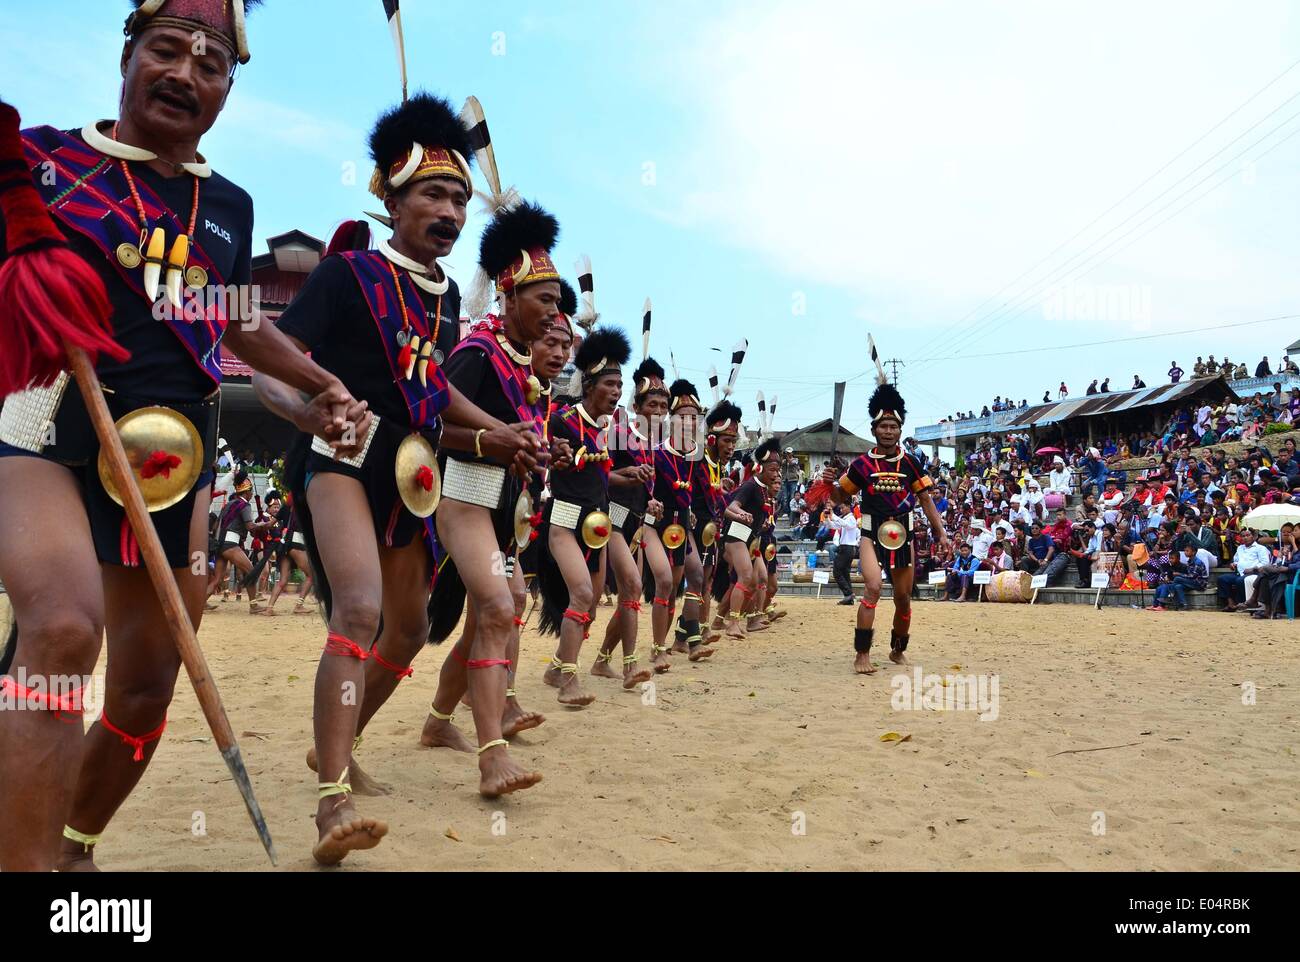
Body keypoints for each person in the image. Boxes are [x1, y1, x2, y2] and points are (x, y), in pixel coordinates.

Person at [0, 2, 376, 873]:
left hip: (173, 462)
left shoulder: (227, 208)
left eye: (209, 66)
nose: (183, 75)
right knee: (59, 631)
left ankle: (73, 848)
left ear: (229, 89)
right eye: (164, 51)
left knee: (141, 691)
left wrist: (317, 386)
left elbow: (232, 320)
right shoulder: (41, 163)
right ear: (126, 54)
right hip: (46, 420)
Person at [820, 376, 950, 674]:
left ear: (900, 430)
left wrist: (940, 532)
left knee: (903, 598)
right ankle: (862, 654)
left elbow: (926, 500)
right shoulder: (862, 465)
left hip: (902, 533)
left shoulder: (911, 462)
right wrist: (831, 485)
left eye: (893, 427)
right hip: (869, 532)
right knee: (873, 588)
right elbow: (841, 496)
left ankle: (897, 649)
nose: (888, 431)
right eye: (883, 426)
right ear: (873, 429)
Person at [535, 327, 634, 704]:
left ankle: (556, 666)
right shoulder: (560, 421)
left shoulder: (602, 430)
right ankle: (569, 682)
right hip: (563, 522)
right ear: (589, 385)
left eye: (620, 385)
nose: (616, 392)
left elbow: (592, 473)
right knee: (580, 594)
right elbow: (552, 454)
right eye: (610, 384)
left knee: (590, 605)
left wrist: (619, 478)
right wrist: (552, 450)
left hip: (598, 524)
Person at [1216, 528, 1270, 611]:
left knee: (1240, 581)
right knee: (1222, 579)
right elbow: (1236, 560)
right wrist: (1233, 564)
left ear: (1254, 537)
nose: (1245, 538)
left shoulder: (1260, 548)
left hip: (1254, 573)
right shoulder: (1240, 548)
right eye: (1243, 536)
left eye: (1248, 535)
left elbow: (1265, 562)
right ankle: (1231, 604)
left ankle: (1243, 604)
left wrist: (1253, 569)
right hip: (1240, 573)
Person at [1150, 543, 1209, 611]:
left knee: (1177, 579)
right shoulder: (1189, 561)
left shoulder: (1197, 562)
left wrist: (1179, 574)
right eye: (1185, 551)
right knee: (1178, 586)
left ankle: (1169, 595)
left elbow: (1192, 576)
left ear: (1193, 552)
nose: (1185, 553)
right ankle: (1184, 605)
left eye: (1187, 551)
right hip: (1192, 582)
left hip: (1199, 583)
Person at [829, 502, 860, 604]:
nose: (841, 510)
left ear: (848, 507)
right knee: (845, 573)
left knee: (837, 571)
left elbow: (844, 524)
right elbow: (834, 526)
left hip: (848, 547)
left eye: (842, 507)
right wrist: (827, 518)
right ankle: (849, 597)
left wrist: (833, 515)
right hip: (846, 547)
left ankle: (848, 594)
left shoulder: (851, 519)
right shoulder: (845, 518)